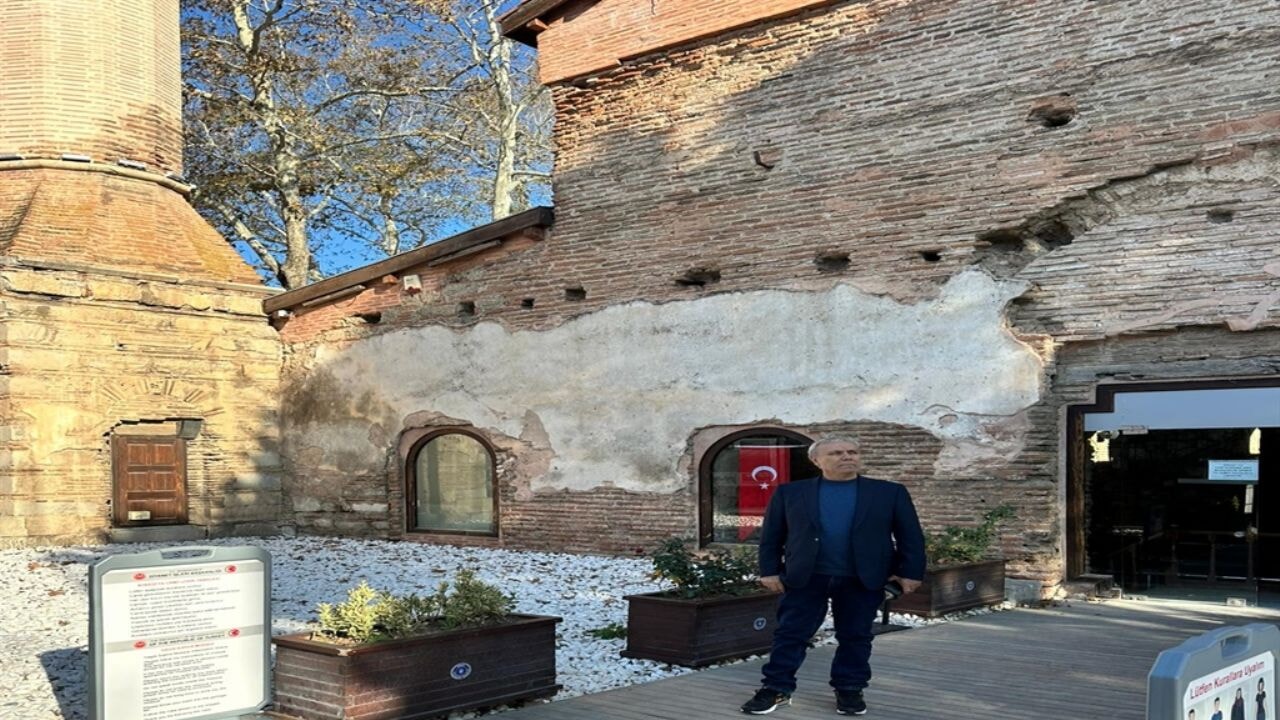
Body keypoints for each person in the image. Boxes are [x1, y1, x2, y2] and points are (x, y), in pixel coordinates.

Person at [740, 434, 926, 716]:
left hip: (862, 578)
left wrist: (909, 572)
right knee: (791, 634)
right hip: (806, 576)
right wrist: (769, 570)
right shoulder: (790, 493)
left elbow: (910, 536)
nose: (847, 457)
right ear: (816, 461)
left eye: (852, 452)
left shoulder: (889, 493)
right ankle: (776, 688)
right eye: (837, 453)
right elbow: (771, 536)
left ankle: (850, 689)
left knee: (856, 636)